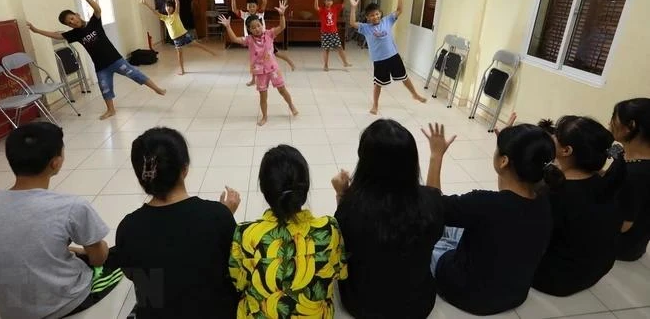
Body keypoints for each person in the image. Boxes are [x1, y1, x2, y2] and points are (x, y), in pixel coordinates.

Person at [424, 119, 564, 316]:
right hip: (516, 294)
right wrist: (511, 149)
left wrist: (436, 156)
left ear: (504, 161)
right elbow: (507, 207)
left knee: (426, 238)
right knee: (459, 227)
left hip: (467, 294)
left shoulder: (483, 204)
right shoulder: (544, 200)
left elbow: (433, 206)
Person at [0, 123, 123, 319]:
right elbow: (98, 258)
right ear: (56, 162)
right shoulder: (72, 207)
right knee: (120, 256)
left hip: (7, 309)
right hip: (64, 304)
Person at [115, 127, 241, 318]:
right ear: (184, 169)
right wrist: (225, 213)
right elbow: (232, 267)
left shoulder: (129, 227)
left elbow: (133, 274)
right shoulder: (217, 216)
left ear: (142, 176)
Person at [331, 119, 444, 319]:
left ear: (364, 162)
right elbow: (435, 197)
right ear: (412, 162)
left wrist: (341, 195)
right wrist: (436, 156)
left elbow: (342, 244)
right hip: (417, 306)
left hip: (361, 306)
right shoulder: (430, 204)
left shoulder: (351, 207)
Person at [229, 144, 347, 318]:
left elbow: (238, 283)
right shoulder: (329, 229)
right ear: (305, 188)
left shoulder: (246, 235)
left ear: (264, 190)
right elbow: (340, 272)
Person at [27, 0, 166, 120]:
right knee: (104, 88)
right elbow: (57, 35)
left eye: (72, 18)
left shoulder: (94, 23)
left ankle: (157, 89)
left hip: (115, 60)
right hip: (101, 67)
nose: (72, 22)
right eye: (69, 23)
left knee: (135, 74)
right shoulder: (74, 34)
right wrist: (36, 30)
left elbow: (98, 9)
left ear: (76, 14)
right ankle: (111, 110)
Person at [532, 116, 622, 296]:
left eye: (557, 134)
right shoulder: (608, 183)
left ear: (566, 150)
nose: (553, 136)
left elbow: (526, 233)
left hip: (557, 279)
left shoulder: (555, 194)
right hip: (595, 272)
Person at [348, 0, 426, 114]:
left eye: (377, 14)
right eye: (372, 15)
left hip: (393, 56)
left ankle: (415, 94)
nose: (375, 16)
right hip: (379, 60)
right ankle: (375, 105)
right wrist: (353, 7)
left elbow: (399, 10)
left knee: (404, 77)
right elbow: (352, 23)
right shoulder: (366, 28)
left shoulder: (387, 21)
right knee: (378, 83)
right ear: (367, 17)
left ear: (380, 14)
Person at [219, 1, 298, 126]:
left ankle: (291, 106)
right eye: (253, 27)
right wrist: (228, 27)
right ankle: (265, 116)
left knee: (282, 90)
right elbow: (234, 39)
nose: (256, 29)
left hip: (273, 69)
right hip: (260, 72)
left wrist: (282, 15)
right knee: (263, 96)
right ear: (249, 30)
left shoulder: (269, 34)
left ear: (262, 25)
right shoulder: (249, 40)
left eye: (258, 26)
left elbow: (282, 27)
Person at [139, 0, 217, 75]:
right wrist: (145, 4)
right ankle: (182, 70)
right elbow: (154, 12)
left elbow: (177, 3)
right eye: (167, 7)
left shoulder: (175, 14)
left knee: (197, 45)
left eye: (170, 7)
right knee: (179, 55)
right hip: (176, 39)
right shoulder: (164, 17)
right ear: (165, 8)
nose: (169, 8)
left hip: (184, 35)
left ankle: (212, 52)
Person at [606, 98, 650, 261]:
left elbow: (624, 225)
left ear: (631, 126)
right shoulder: (630, 154)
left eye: (613, 118)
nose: (609, 123)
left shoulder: (637, 174)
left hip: (621, 246)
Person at [226, 0, 295, 86]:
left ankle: (290, 61)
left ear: (256, 7)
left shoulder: (260, 13)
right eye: (249, 6)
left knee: (277, 53)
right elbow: (234, 9)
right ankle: (253, 79)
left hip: (265, 41)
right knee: (254, 60)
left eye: (253, 6)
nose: (251, 8)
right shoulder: (245, 15)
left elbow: (264, 3)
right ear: (247, 7)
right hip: (252, 41)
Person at [313, 0, 351, 71]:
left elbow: (344, 4)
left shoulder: (335, 8)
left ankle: (345, 62)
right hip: (325, 33)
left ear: (332, 2)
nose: (329, 2)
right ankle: (325, 65)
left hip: (334, 32)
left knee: (340, 48)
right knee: (326, 50)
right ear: (324, 1)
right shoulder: (322, 10)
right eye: (327, 0)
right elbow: (316, 7)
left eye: (330, 1)